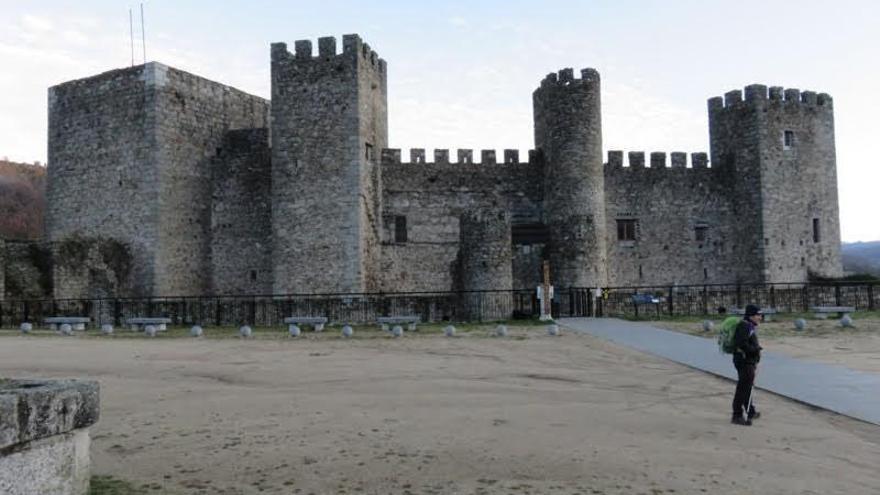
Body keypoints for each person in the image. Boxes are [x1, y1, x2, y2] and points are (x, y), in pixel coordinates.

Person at [731, 304, 763, 426]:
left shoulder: (749, 326)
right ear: (751, 316)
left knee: (747, 386)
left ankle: (750, 411)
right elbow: (741, 344)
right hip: (744, 361)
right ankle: (737, 415)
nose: (760, 317)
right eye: (758, 315)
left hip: (748, 361)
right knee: (743, 387)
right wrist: (755, 350)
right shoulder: (744, 326)